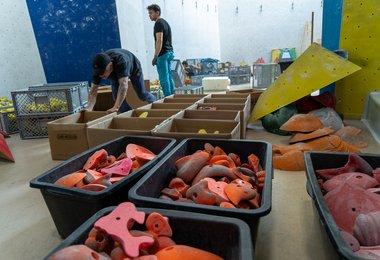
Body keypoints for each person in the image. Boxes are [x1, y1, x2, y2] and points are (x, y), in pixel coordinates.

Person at [87, 49, 156, 113]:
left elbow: (123, 86)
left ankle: (157, 103)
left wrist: (116, 107)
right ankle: (131, 116)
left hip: (134, 67)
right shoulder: (98, 71)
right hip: (115, 72)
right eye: (98, 73)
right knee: (116, 98)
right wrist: (89, 108)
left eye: (103, 72)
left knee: (142, 94)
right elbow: (93, 91)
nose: (101, 75)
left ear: (110, 66)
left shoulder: (121, 61)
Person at [147, 4, 175, 97]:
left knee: (163, 78)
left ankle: (167, 98)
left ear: (157, 12)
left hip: (162, 54)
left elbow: (159, 40)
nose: (149, 15)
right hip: (170, 52)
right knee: (169, 76)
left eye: (151, 13)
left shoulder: (158, 23)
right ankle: (172, 96)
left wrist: (155, 56)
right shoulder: (165, 23)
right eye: (149, 13)